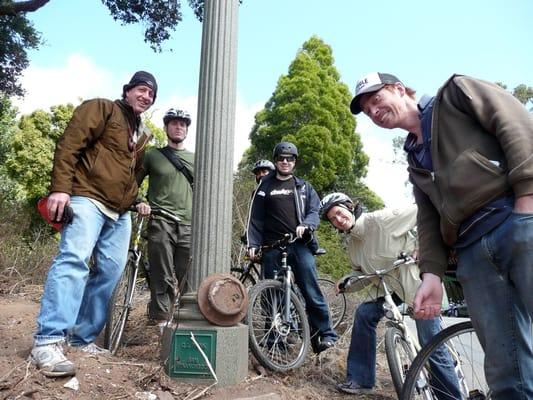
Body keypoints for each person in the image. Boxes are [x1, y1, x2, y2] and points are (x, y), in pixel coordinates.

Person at [350, 71, 533, 399]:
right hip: (473, 254)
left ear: (399, 89)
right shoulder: (414, 158)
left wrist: (527, 198)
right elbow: (428, 217)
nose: (374, 112)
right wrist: (431, 275)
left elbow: (513, 119)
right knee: (506, 370)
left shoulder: (455, 94)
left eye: (376, 100)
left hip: (515, 221)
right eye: (367, 111)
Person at [30, 71, 157, 377]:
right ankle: (48, 341)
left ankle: (81, 337)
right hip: (87, 198)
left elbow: (130, 176)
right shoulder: (102, 108)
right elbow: (69, 145)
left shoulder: (140, 134)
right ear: (127, 90)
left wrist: (135, 199)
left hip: (120, 212)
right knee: (74, 261)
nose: (146, 97)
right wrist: (61, 188)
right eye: (141, 90)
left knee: (110, 272)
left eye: (151, 94)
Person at [319, 193, 460, 397]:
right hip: (388, 290)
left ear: (350, 207)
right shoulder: (353, 245)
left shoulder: (381, 219)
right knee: (364, 314)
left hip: (414, 283)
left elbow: (425, 210)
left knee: (431, 342)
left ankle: (453, 396)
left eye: (340, 213)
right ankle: (360, 380)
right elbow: (363, 274)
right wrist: (347, 281)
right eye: (333, 219)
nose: (339, 220)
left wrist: (424, 246)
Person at [246, 141, 338, 352]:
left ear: (295, 162)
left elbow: (314, 212)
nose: (285, 162)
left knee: (310, 290)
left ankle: (325, 334)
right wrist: (253, 244)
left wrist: (307, 225)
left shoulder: (303, 186)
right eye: (281, 158)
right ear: (276, 161)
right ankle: (274, 340)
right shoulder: (264, 187)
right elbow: (255, 219)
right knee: (271, 296)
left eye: (290, 159)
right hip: (272, 247)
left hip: (299, 245)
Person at [135, 108, 194, 328]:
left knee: (188, 274)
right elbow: (133, 182)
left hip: (189, 224)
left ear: (187, 130)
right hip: (160, 220)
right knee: (162, 272)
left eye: (182, 124)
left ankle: (187, 321)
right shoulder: (153, 155)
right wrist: (140, 201)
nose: (178, 127)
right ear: (166, 127)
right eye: (174, 123)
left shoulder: (196, 158)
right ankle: (161, 319)